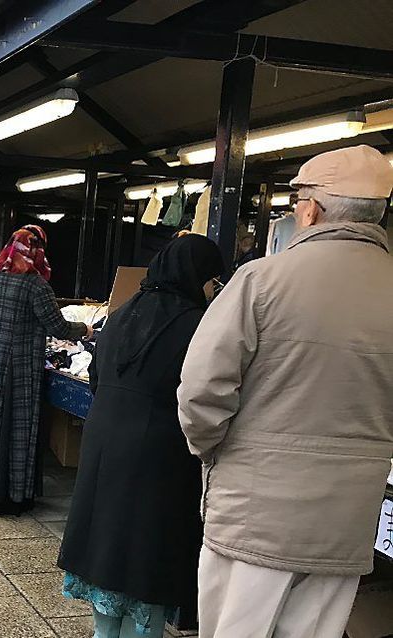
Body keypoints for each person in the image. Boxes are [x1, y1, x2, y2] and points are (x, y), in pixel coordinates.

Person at [178, 145, 393, 638]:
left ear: (311, 208)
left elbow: (201, 391)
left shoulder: (261, 279)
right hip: (346, 520)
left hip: (254, 512)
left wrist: (211, 450)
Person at [57, 235, 225, 638]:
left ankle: (104, 632)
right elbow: (202, 396)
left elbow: (97, 377)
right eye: (213, 279)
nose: (215, 288)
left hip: (103, 439)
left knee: (108, 545)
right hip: (160, 448)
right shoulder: (198, 324)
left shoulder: (123, 312)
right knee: (147, 555)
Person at [0, 225, 91, 514]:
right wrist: (85, 329)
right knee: (12, 425)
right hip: (19, 365)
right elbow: (58, 326)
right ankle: (6, 493)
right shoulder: (35, 285)